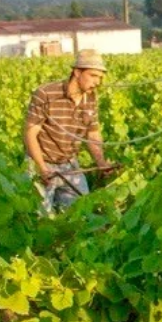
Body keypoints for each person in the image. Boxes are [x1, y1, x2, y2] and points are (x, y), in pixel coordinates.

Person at [24, 48, 115, 213]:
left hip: (70, 165)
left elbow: (92, 133)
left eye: (100, 78)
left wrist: (100, 162)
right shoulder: (46, 93)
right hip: (41, 163)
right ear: (77, 72)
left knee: (81, 215)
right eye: (93, 76)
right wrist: (42, 168)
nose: (97, 82)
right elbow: (31, 133)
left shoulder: (91, 97)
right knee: (40, 219)